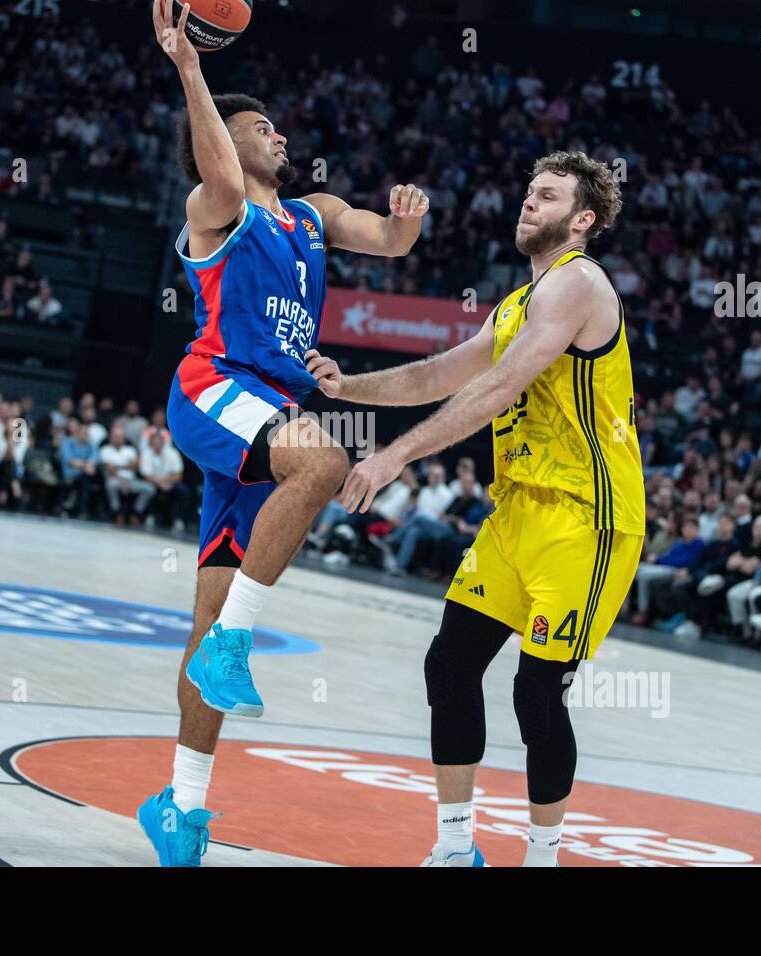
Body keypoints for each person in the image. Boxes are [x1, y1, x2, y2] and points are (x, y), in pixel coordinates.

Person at [137, 0, 429, 868]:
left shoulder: (312, 212)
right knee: (328, 457)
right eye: (262, 127)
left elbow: (387, 241)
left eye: (277, 130)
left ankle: (181, 809)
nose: (280, 139)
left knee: (203, 618)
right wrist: (190, 66)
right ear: (226, 136)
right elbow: (222, 177)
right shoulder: (215, 207)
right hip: (216, 387)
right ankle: (238, 641)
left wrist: (407, 217)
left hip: (267, 413)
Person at [309, 150, 644, 866]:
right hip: (517, 512)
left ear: (582, 219)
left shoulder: (578, 284)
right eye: (528, 190)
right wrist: (348, 389)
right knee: (450, 666)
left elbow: (494, 392)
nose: (529, 201)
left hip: (587, 520)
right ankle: (457, 849)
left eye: (548, 195)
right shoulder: (519, 302)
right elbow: (438, 374)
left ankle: (543, 857)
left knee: (536, 694)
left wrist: (395, 455)